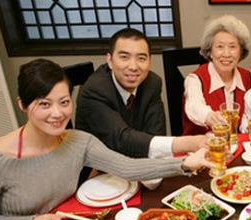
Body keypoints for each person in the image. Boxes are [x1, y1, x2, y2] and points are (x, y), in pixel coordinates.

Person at [0, 59, 213, 220]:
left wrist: (184, 163)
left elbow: (126, 167)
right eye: (44, 104)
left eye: (64, 102)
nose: (57, 114)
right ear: (23, 105)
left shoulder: (78, 141)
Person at [76, 28, 206, 159]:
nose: (133, 66)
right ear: (110, 60)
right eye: (124, 57)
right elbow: (121, 139)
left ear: (149, 61)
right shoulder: (95, 90)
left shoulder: (152, 83)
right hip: (98, 167)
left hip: (139, 161)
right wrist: (188, 143)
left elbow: (156, 133)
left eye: (141, 58)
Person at [183, 15, 251, 135]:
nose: (226, 54)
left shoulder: (246, 76)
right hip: (200, 147)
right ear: (210, 51)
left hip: (236, 147)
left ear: (241, 52)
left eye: (232, 47)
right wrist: (209, 116)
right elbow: (194, 107)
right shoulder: (195, 79)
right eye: (220, 47)